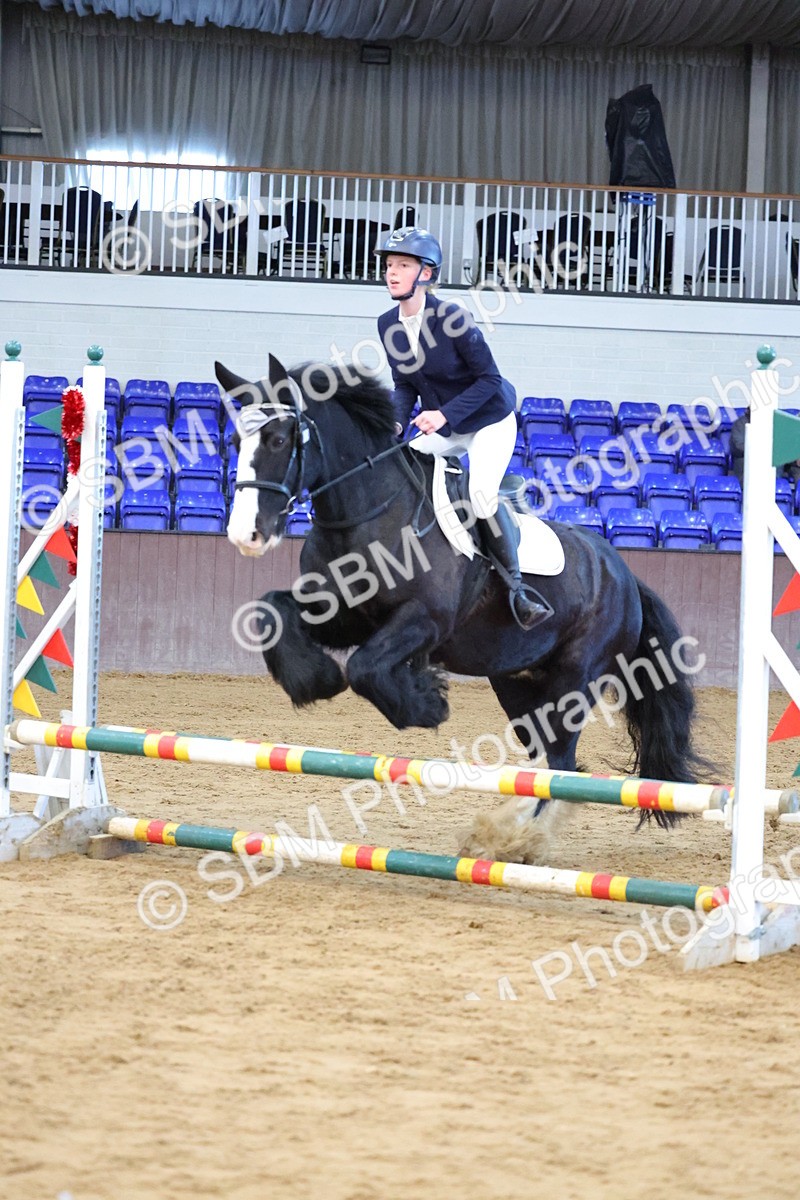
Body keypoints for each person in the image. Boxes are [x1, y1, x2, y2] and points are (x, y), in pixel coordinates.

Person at [376, 226, 549, 629]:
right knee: (401, 469)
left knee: (480, 495)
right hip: (445, 423)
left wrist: (443, 416)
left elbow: (490, 380)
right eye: (389, 265)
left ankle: (518, 589)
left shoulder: (451, 317)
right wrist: (397, 422)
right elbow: (404, 385)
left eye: (403, 265)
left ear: (426, 274)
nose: (392, 272)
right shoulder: (387, 324)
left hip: (488, 418)